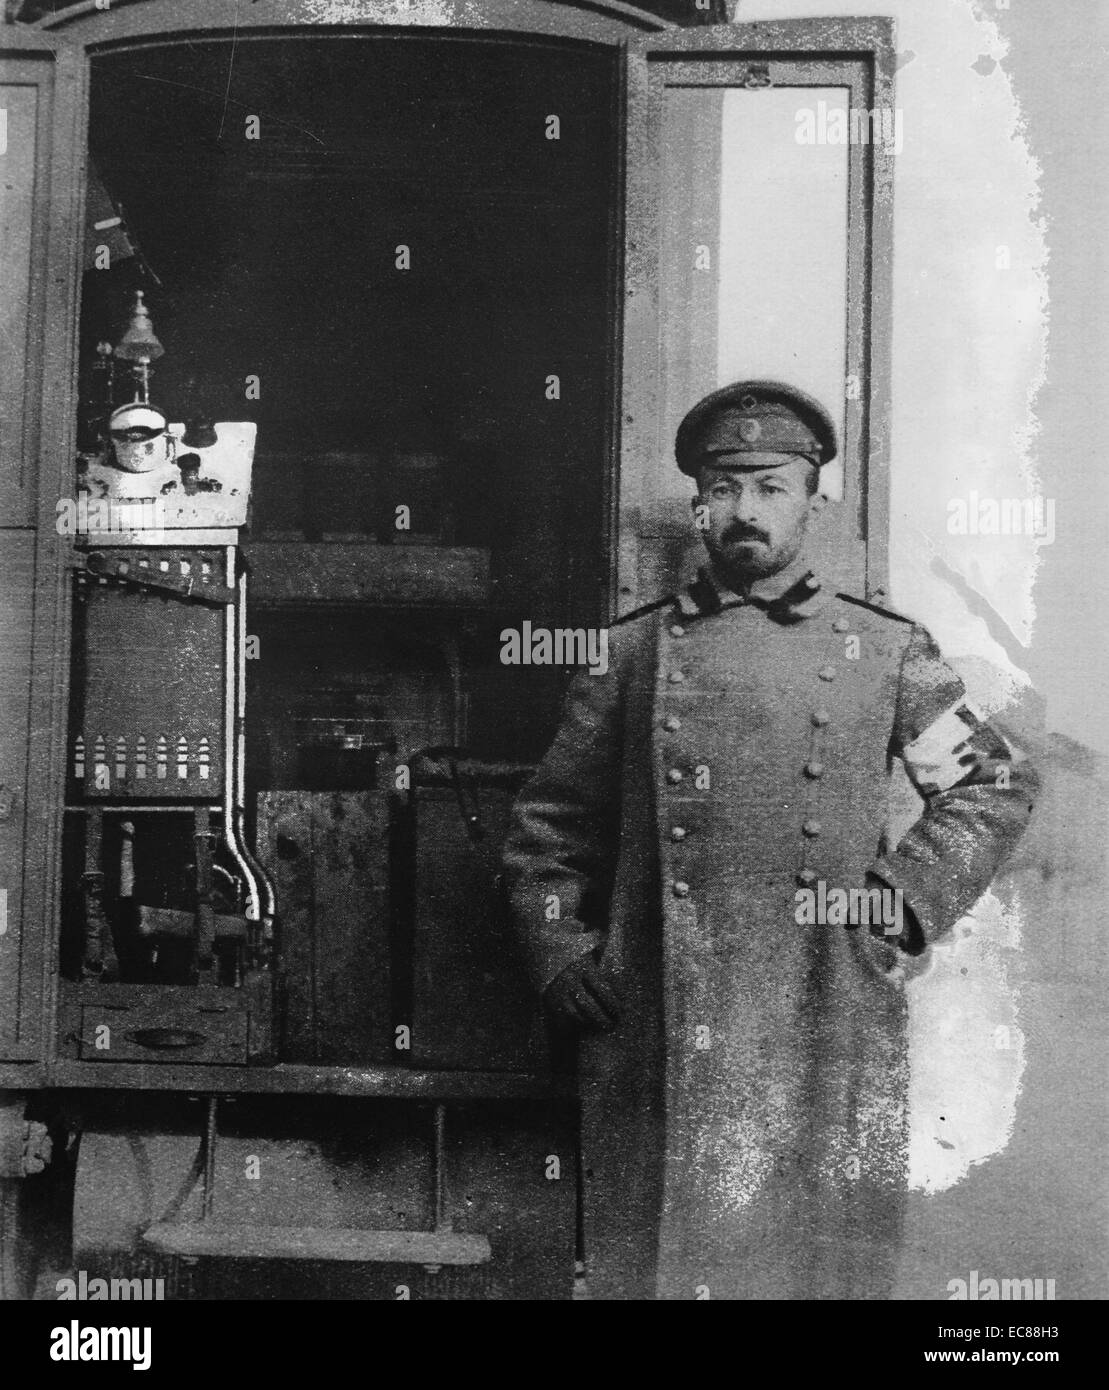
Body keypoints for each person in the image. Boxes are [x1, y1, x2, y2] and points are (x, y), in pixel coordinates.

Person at [502, 380, 1038, 1300]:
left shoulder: (883, 649)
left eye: (771, 486)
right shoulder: (632, 653)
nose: (745, 510)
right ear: (698, 502)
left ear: (812, 498)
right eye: (724, 487)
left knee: (813, 1264)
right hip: (659, 1010)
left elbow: (991, 783)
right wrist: (559, 951)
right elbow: (547, 827)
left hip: (822, 1002)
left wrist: (897, 906)